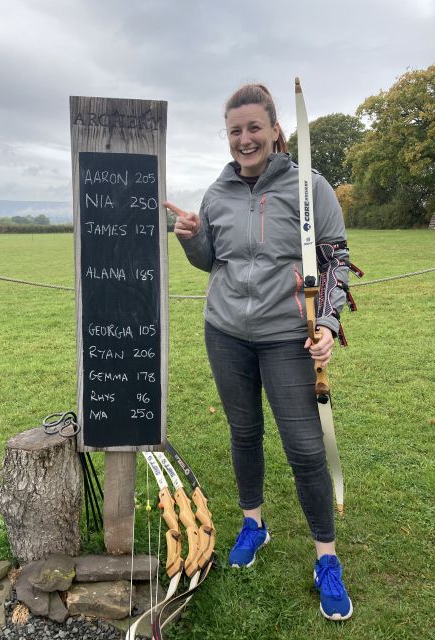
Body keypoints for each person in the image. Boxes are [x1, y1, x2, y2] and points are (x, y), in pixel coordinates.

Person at [164, 83, 353, 621]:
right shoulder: (217, 191)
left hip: (287, 335)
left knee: (305, 449)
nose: (244, 139)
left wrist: (329, 324)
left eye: (253, 127)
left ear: (275, 129)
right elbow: (210, 260)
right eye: (234, 130)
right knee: (243, 431)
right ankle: (254, 523)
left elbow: (336, 261)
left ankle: (326, 558)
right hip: (225, 332)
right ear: (227, 137)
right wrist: (192, 237)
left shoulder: (310, 187)